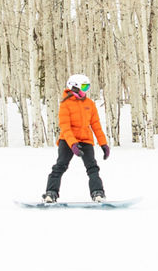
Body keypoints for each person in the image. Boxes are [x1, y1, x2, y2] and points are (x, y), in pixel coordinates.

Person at [42, 74, 110, 203]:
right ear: (74, 87)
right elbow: (65, 127)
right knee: (60, 166)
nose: (86, 90)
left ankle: (98, 193)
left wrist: (103, 144)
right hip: (67, 140)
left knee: (92, 167)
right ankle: (51, 193)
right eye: (84, 87)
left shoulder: (90, 104)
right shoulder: (65, 104)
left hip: (85, 140)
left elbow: (96, 125)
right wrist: (73, 144)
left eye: (87, 87)